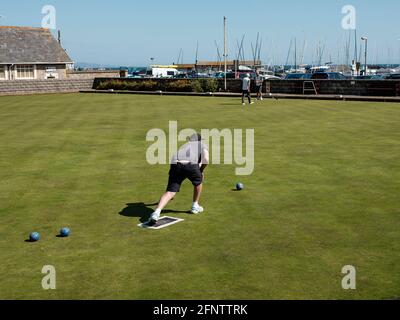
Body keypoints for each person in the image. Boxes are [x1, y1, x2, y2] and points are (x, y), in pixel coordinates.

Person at [147, 133, 209, 225]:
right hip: (190, 164)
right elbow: (206, 159)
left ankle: (156, 213)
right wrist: (201, 171)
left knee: (170, 192)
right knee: (198, 182)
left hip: (175, 163)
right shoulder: (202, 145)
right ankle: (195, 206)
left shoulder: (185, 146)